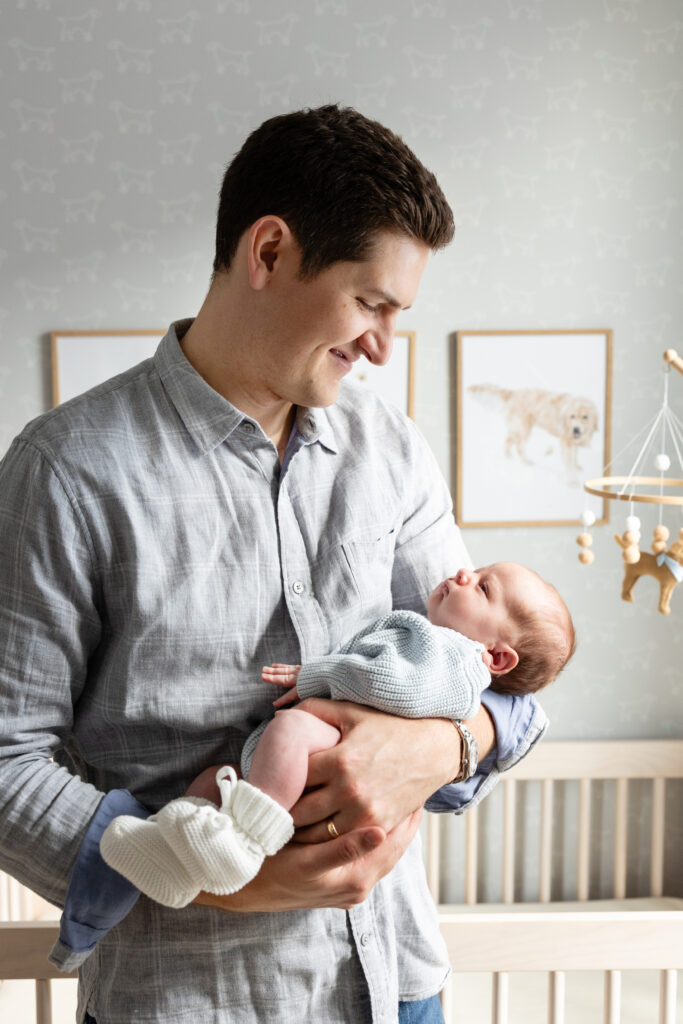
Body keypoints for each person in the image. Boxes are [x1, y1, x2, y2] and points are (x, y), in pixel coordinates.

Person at [0, 105, 551, 1024]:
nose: (382, 343)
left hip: (394, 985)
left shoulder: (393, 450)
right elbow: (6, 756)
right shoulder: (67, 469)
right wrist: (205, 884)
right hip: (188, 997)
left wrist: (436, 745)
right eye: (370, 302)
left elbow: (504, 689)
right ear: (268, 252)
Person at [99, 561, 574, 909]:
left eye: (484, 587)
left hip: (331, 750)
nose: (465, 573)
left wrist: (316, 675)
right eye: (477, 569)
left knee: (290, 729)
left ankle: (242, 841)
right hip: (320, 756)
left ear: (497, 658)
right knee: (213, 780)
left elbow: (389, 684)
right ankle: (175, 861)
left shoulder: (456, 660)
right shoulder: (442, 643)